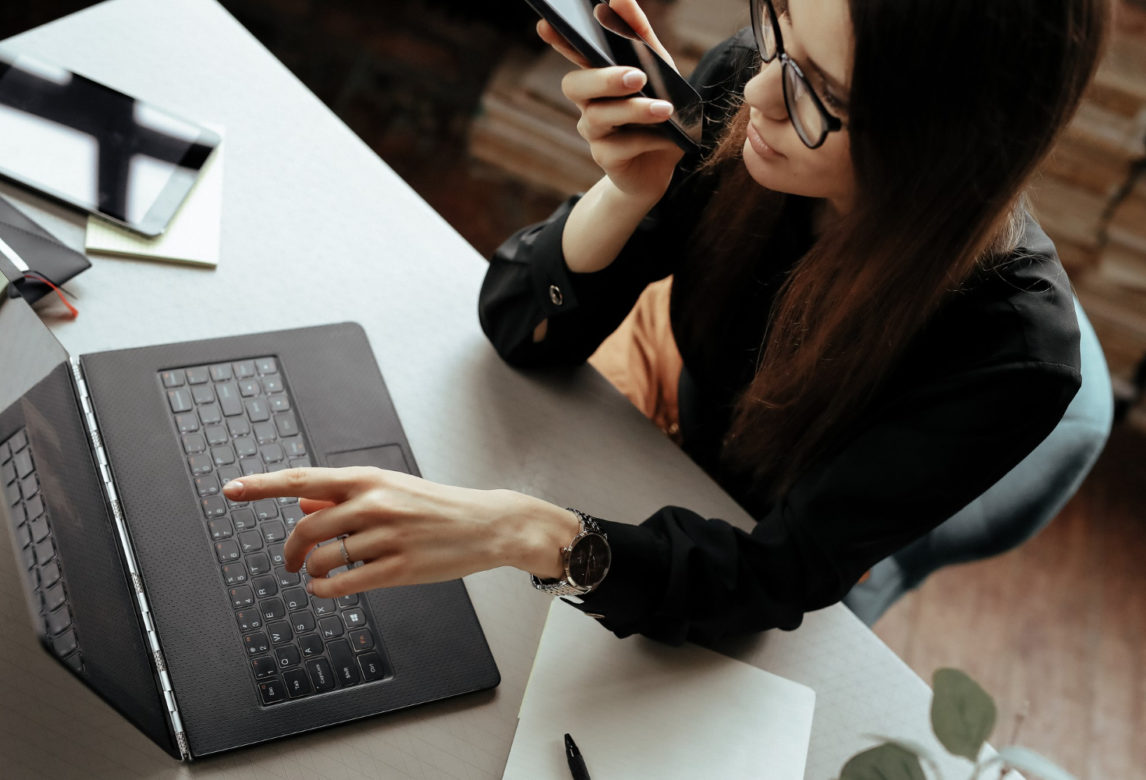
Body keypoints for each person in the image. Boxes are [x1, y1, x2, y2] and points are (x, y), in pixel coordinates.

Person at [223, 0, 1109, 645]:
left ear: (948, 144)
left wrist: (523, 532)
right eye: (780, 31)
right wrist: (625, 194)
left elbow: (772, 577)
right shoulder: (757, 93)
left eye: (819, 93)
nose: (759, 92)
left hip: (760, 539)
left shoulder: (1011, 356)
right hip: (665, 433)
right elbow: (520, 327)